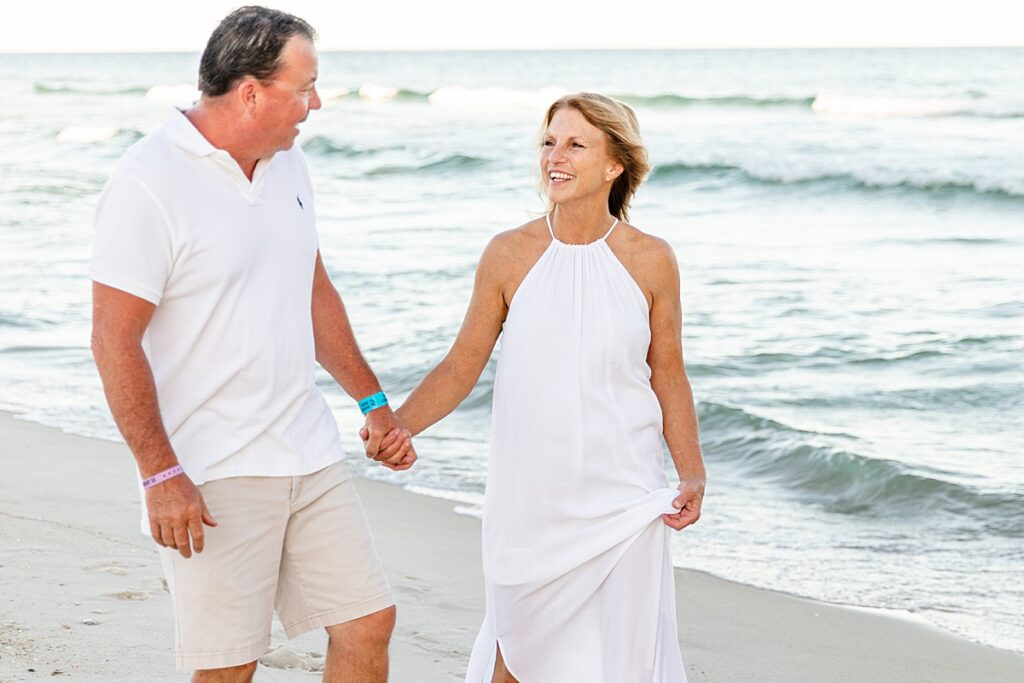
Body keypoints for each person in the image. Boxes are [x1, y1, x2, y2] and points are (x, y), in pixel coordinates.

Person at [90, 7, 414, 682]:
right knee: (229, 665)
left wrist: (374, 401)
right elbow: (113, 337)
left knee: (367, 621)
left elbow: (314, 291)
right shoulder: (147, 180)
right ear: (251, 93)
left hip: (308, 447)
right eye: (305, 87)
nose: (315, 104)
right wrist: (159, 472)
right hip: (213, 468)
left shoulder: (288, 164)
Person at [369, 92, 705, 681]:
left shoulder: (652, 260)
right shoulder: (508, 253)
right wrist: (399, 424)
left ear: (614, 165)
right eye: (549, 142)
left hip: (622, 492)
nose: (556, 155)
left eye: (576, 144)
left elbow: (668, 373)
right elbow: (461, 365)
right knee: (517, 653)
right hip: (530, 497)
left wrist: (692, 471)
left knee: (616, 660)